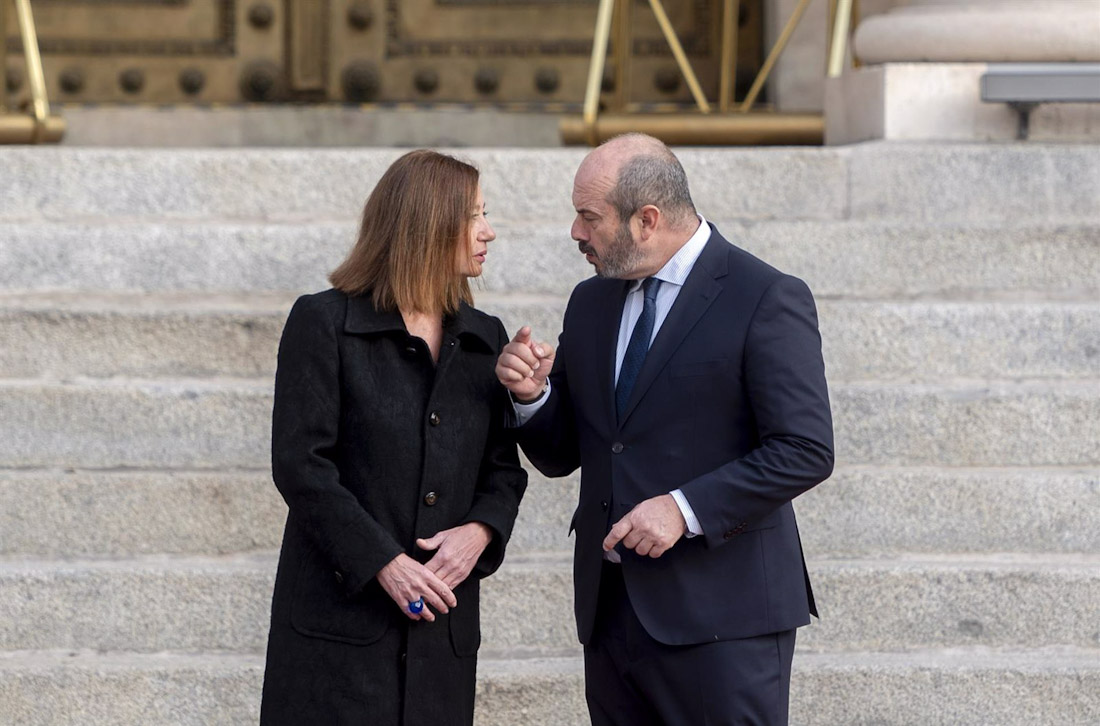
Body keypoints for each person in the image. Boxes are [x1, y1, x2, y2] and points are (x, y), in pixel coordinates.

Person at [495, 133, 833, 726]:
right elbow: (564, 451)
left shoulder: (766, 296)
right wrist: (531, 397)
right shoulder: (590, 303)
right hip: (612, 614)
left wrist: (683, 509)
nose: (577, 233)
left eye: (588, 217)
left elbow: (804, 449)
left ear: (646, 219)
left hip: (724, 620)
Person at [260, 150, 527, 726]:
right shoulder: (324, 322)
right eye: (475, 216)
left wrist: (479, 533)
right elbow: (302, 465)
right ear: (429, 224)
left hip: (441, 638)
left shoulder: (485, 337)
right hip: (338, 633)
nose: (490, 232)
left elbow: (503, 470)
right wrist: (384, 561)